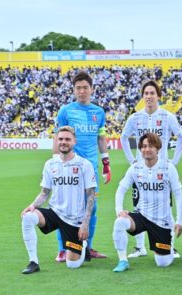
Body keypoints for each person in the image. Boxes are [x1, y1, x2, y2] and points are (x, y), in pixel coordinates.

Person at [120, 80, 182, 259]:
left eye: (152, 93)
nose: (149, 96)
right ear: (143, 96)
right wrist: (132, 160)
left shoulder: (167, 116)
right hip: (141, 171)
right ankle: (140, 247)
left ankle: (170, 245)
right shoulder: (135, 118)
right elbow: (124, 138)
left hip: (162, 171)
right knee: (138, 207)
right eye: (146, 93)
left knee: (166, 207)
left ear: (158, 96)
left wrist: (174, 161)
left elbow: (180, 137)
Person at [20, 126, 96, 274]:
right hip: (54, 212)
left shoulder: (84, 164)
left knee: (72, 265)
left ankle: (83, 247)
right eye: (60, 139)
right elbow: (44, 192)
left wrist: (85, 224)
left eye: (67, 139)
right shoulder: (50, 164)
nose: (63, 142)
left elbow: (91, 196)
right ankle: (33, 262)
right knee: (28, 217)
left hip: (74, 220)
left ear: (74, 141)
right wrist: (32, 206)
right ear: (56, 141)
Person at [53, 71, 110, 262]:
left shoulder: (99, 112)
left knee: (91, 208)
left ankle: (88, 247)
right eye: (78, 88)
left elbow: (101, 137)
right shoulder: (66, 111)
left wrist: (105, 161)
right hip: (69, 167)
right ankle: (63, 249)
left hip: (90, 169)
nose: (82, 91)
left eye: (85, 87)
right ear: (74, 90)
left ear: (91, 89)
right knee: (64, 208)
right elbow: (58, 137)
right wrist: (56, 163)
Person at [112, 133, 182, 272]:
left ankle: (168, 244)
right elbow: (121, 189)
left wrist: (179, 221)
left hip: (162, 221)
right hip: (142, 216)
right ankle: (123, 260)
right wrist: (119, 210)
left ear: (158, 148)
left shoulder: (168, 168)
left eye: (151, 146)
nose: (147, 149)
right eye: (144, 146)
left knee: (162, 263)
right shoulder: (135, 168)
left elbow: (178, 195)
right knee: (120, 222)